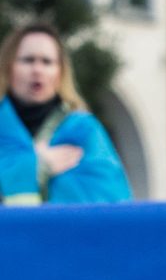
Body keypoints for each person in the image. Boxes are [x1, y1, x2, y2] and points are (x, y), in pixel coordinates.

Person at [0, 22, 131, 205]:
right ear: (8, 67)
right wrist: (37, 167)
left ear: (60, 72)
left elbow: (108, 199)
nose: (37, 70)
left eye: (47, 62)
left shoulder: (83, 130)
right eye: (28, 60)